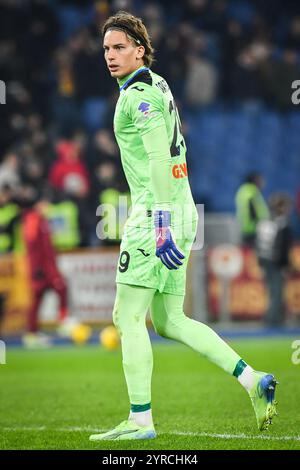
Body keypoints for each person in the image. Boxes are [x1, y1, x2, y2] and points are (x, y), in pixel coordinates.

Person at [89, 11, 278, 442]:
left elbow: (158, 158)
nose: (110, 56)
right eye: (105, 49)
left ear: (140, 48)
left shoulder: (135, 96)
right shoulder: (159, 84)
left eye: (119, 47)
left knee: (126, 316)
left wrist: (159, 226)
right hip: (182, 207)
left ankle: (140, 421)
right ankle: (253, 380)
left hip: (157, 213)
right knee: (171, 320)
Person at [256, 193, 293, 326]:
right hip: (276, 263)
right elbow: (282, 247)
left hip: (266, 261)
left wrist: (260, 262)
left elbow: (259, 244)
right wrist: (285, 265)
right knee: (277, 292)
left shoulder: (264, 222)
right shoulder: (282, 224)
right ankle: (273, 321)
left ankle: (272, 319)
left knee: (271, 292)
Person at [235, 172, 269, 248]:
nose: (263, 182)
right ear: (255, 180)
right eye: (260, 180)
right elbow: (252, 210)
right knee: (252, 253)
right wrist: (259, 222)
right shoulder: (251, 191)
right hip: (252, 228)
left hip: (245, 227)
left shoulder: (243, 190)